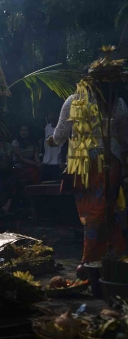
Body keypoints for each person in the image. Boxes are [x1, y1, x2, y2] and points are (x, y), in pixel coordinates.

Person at [49, 86, 128, 271]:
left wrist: (52, 141)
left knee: (92, 212)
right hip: (112, 159)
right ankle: (115, 256)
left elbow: (59, 136)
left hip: (84, 162)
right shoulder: (118, 102)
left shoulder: (73, 100)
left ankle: (92, 262)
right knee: (108, 208)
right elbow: (125, 138)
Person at [41, 111, 63, 182]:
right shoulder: (47, 127)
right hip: (46, 162)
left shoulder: (62, 127)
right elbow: (44, 144)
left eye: (52, 113)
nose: (50, 116)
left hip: (57, 162)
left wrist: (63, 161)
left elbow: (65, 145)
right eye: (49, 114)